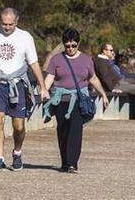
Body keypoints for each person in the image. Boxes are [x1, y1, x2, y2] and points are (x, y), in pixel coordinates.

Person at [0, 8, 49, 171]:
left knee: (19, 125)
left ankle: (17, 152)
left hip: (18, 83)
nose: (7, 27)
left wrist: (43, 87)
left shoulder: (25, 37)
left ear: (17, 21)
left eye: (10, 24)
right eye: (4, 24)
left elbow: (34, 63)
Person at [43, 28, 109, 173]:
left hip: (79, 100)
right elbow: (50, 78)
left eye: (73, 45)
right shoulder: (57, 60)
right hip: (60, 100)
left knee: (75, 129)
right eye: (67, 46)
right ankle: (65, 161)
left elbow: (93, 78)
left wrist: (103, 94)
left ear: (78, 44)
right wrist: (44, 90)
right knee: (63, 130)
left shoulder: (86, 59)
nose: (71, 49)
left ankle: (73, 163)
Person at [93, 43, 135, 120]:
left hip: (120, 80)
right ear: (104, 51)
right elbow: (104, 77)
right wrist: (112, 89)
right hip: (116, 84)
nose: (112, 52)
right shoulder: (100, 61)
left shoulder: (105, 60)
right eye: (111, 50)